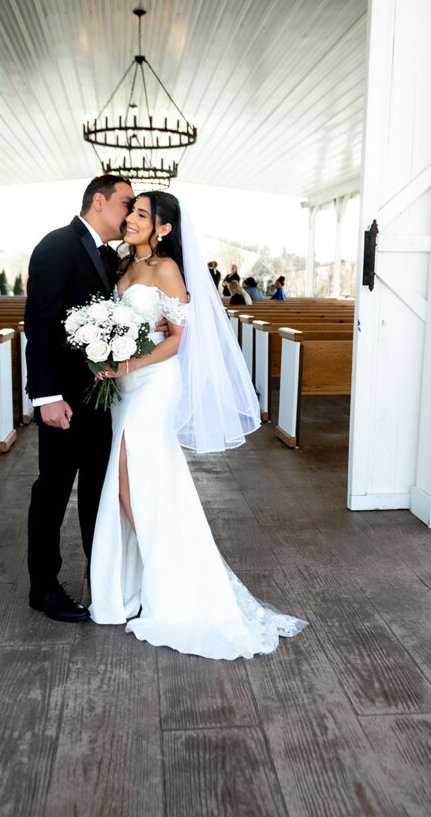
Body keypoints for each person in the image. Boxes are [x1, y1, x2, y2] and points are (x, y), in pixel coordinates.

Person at [89, 192, 307, 659]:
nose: (131, 219)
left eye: (142, 214)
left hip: (153, 385)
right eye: (132, 212)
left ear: (163, 228)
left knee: (129, 486)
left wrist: (123, 367)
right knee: (141, 484)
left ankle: (169, 583)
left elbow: (178, 342)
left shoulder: (167, 269)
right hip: (125, 390)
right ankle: (149, 581)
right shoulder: (124, 268)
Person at [24, 174, 135, 622]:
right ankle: (44, 588)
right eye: (127, 202)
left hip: (101, 399)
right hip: (65, 400)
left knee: (95, 491)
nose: (130, 211)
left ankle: (101, 582)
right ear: (99, 201)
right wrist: (46, 396)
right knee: (53, 491)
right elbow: (41, 324)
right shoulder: (57, 245)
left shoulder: (109, 257)